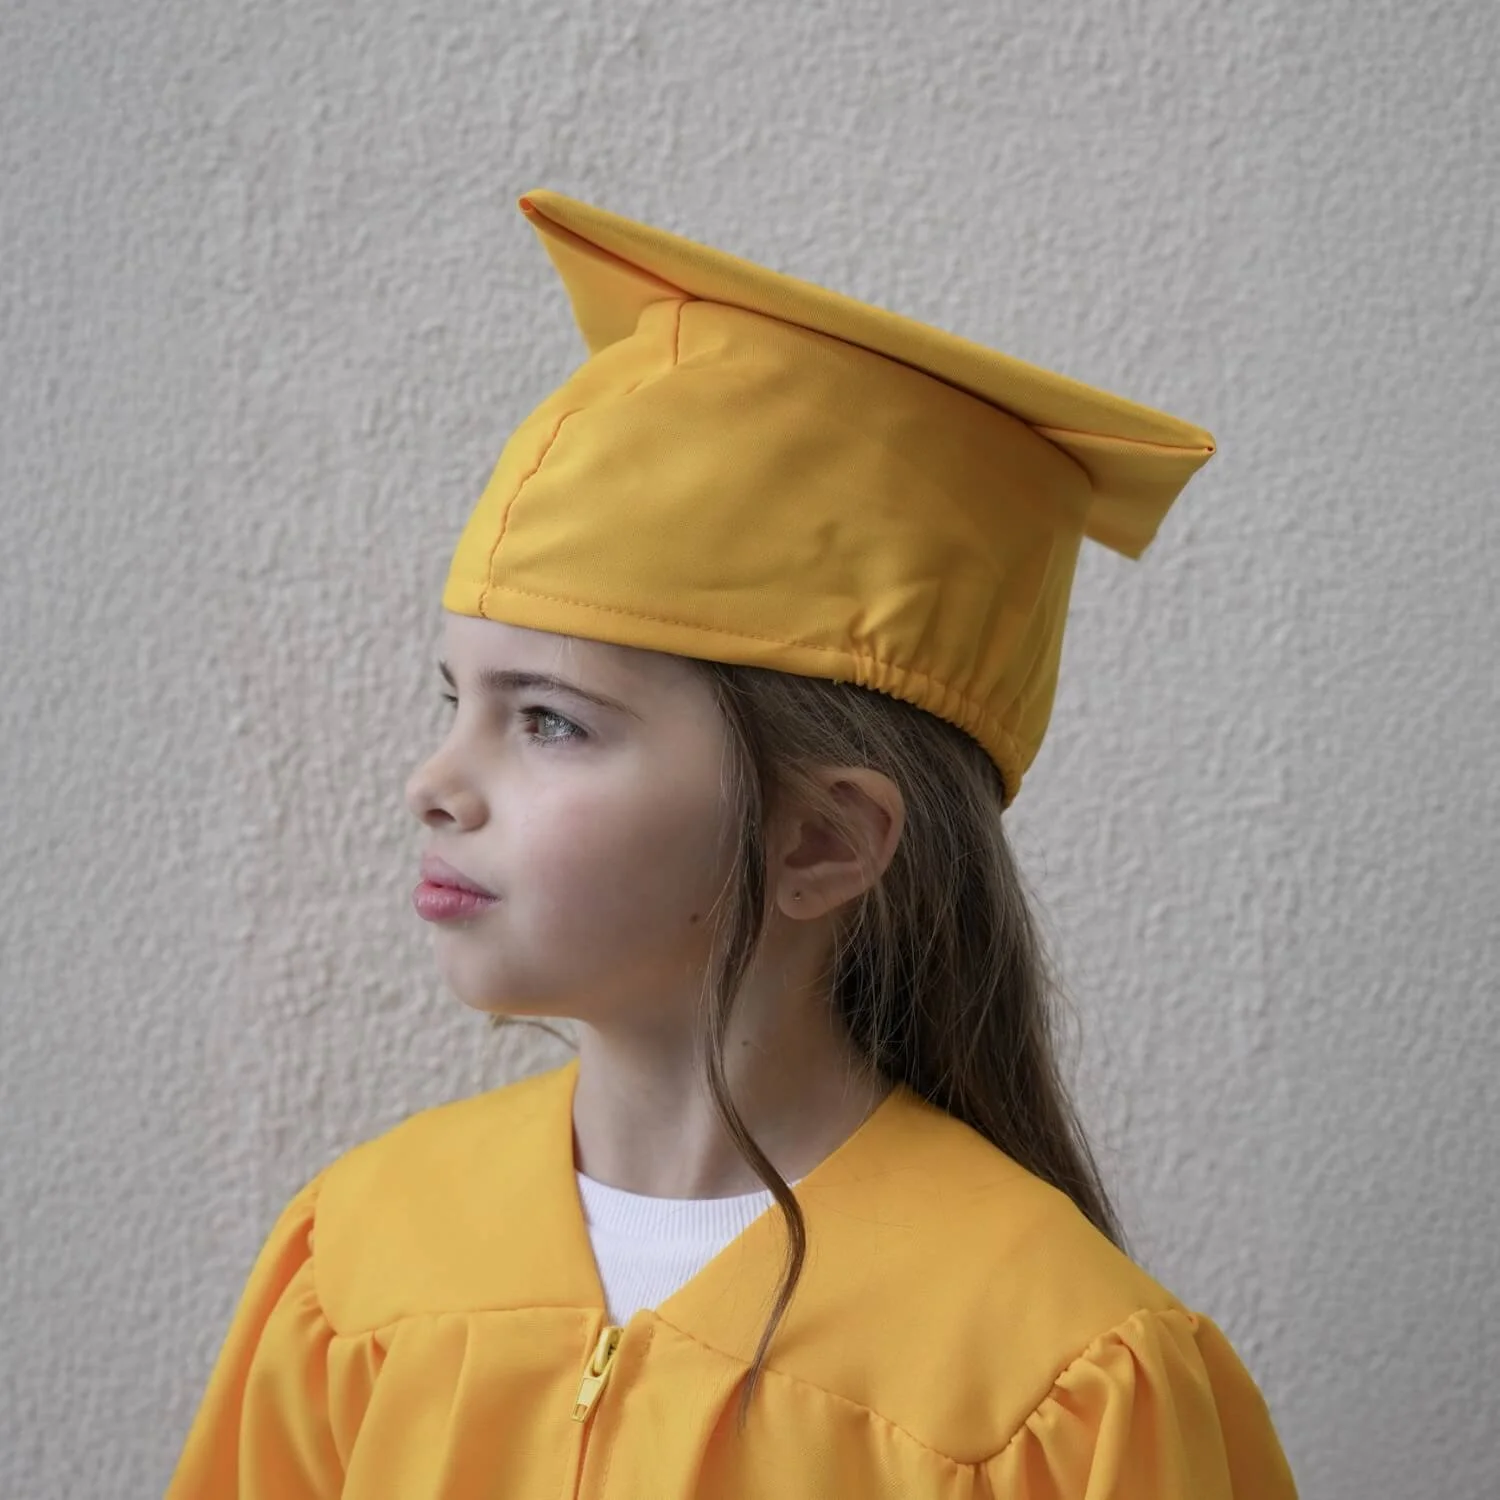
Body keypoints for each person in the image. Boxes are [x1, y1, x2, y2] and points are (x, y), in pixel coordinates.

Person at [166, 187, 1299, 1498]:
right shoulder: (357, 1261)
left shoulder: (1055, 1379)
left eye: (547, 722)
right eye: (453, 700)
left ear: (820, 839)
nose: (436, 783)